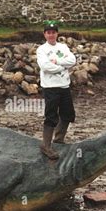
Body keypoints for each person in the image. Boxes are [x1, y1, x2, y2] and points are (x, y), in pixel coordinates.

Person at [36, 23, 76, 160]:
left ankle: (59, 139)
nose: (51, 35)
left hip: (64, 85)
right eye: (48, 32)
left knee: (68, 114)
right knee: (51, 115)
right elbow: (45, 66)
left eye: (53, 32)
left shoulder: (63, 47)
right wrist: (62, 67)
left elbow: (72, 60)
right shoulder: (42, 49)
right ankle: (46, 145)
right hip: (50, 87)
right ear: (45, 34)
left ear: (57, 34)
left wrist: (57, 61)